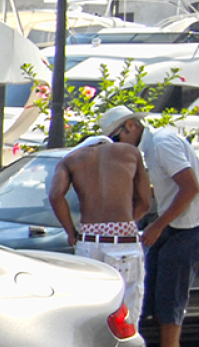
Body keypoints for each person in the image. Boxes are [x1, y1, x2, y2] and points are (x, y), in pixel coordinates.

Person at [99, 105, 199, 347]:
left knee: (170, 301)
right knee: (154, 294)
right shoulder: (149, 148)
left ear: (130, 127)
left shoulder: (163, 143)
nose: (117, 145)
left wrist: (157, 225)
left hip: (188, 227)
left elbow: (190, 187)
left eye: (116, 138)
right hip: (174, 226)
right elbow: (167, 187)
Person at [48, 132, 152, 328]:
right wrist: (125, 224)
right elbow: (145, 201)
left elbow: (55, 195)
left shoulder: (70, 159)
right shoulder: (130, 152)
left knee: (88, 315)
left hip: (88, 240)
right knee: (126, 318)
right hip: (124, 244)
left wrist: (71, 232)